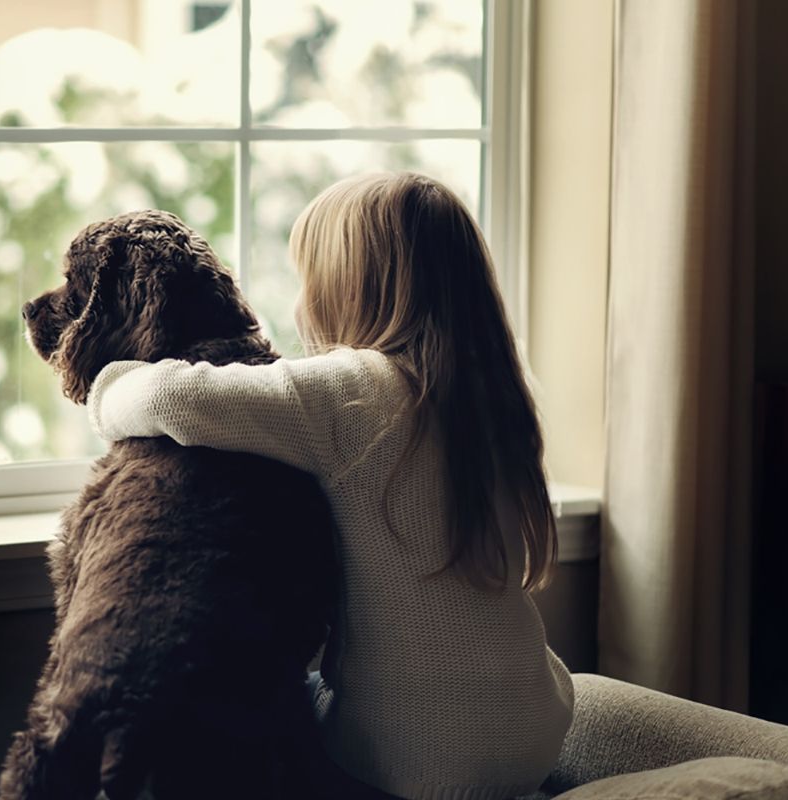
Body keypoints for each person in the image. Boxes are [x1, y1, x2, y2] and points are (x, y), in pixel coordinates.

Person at [86, 172, 574, 800]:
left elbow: (171, 397)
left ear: (350, 289)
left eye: (308, 280)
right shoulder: (501, 394)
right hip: (534, 727)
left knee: (261, 721)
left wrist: (103, 388)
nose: (299, 303)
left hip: (414, 759)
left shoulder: (357, 391)